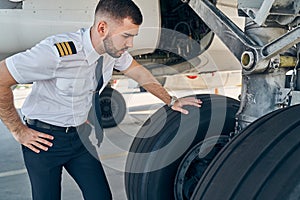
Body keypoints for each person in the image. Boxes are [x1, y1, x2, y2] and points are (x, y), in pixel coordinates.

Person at [0, 0, 202, 199]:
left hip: (79, 139)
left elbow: (139, 73)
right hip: (43, 141)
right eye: (126, 36)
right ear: (102, 28)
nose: (130, 44)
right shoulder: (57, 52)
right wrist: (19, 131)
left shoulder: (112, 52)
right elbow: (1, 79)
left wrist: (171, 100)